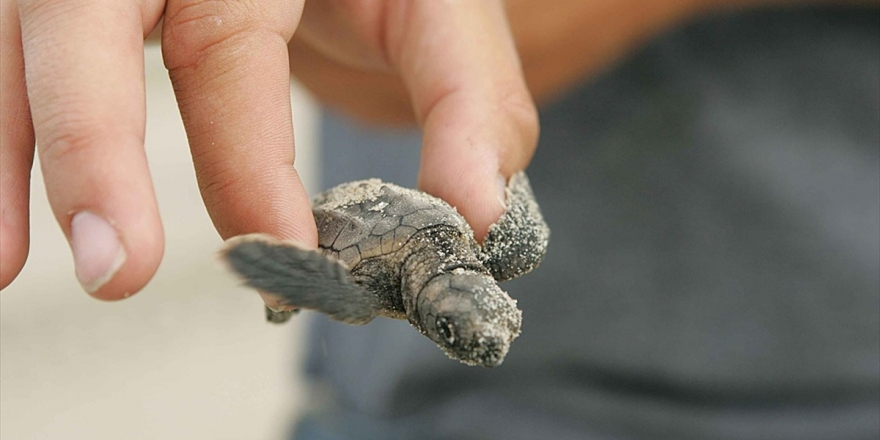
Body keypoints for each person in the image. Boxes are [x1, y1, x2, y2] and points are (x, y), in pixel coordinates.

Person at [1, 1, 877, 439]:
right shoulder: (475, 241)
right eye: (473, 321)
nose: (480, 328)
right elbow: (380, 83)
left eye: (470, 325)